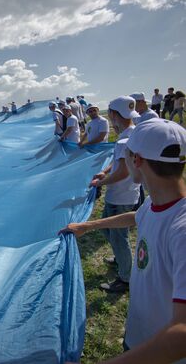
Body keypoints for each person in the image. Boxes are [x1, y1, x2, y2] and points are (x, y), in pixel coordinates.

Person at [60, 119, 186, 363]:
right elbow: (137, 217)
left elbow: (181, 335)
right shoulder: (156, 201)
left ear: (137, 160)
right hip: (141, 335)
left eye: (127, 155)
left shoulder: (181, 231)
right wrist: (89, 225)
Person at [88, 96, 140, 292]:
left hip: (121, 196)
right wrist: (106, 170)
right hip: (123, 195)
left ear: (113, 114)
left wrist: (100, 181)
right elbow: (118, 162)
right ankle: (121, 257)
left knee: (119, 236)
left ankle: (126, 278)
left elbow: (123, 172)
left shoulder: (126, 138)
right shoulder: (131, 132)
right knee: (106, 229)